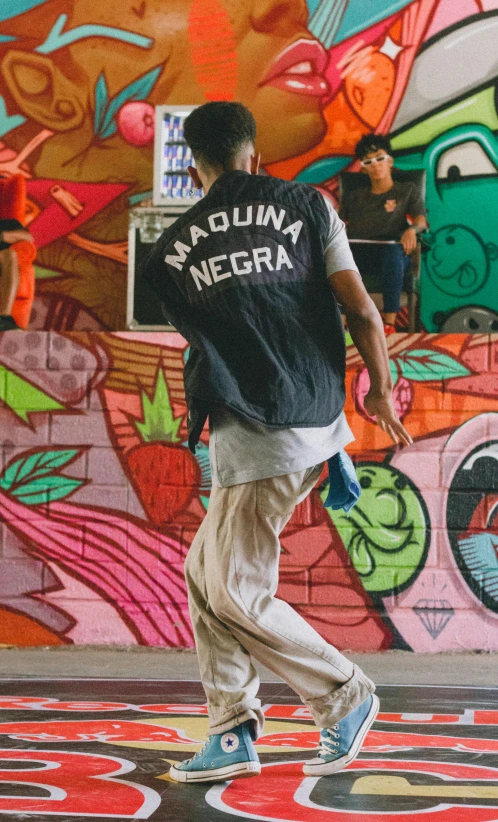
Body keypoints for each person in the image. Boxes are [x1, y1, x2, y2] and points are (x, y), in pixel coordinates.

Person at [144, 101, 412, 784]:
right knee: (207, 580)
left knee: (234, 589)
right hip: (302, 410)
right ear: (253, 155)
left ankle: (344, 694)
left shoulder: (173, 247)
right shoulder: (308, 205)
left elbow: (201, 340)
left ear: (192, 164)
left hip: (261, 428)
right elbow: (359, 307)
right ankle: (232, 728)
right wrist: (378, 388)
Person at [340, 134, 428, 334]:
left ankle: (389, 323)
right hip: (361, 252)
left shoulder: (406, 190)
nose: (375, 165)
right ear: (363, 167)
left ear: (390, 161)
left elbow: (420, 219)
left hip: (393, 253)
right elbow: (337, 222)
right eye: (368, 162)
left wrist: (411, 230)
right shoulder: (356, 196)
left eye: (380, 158)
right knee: (339, 257)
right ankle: (343, 322)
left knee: (392, 254)